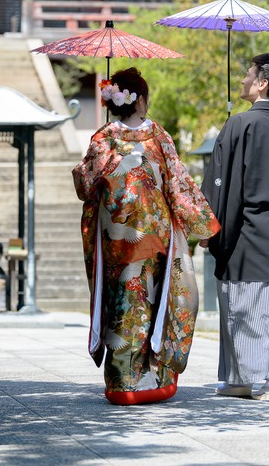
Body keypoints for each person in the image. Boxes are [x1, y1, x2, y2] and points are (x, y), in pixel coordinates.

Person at [72, 67, 221, 405]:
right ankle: (128, 381)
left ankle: (142, 380)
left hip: (143, 240)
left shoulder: (106, 137)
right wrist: (204, 224)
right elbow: (177, 183)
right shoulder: (146, 137)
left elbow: (86, 184)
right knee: (133, 304)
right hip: (133, 239)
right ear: (139, 100)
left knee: (143, 302)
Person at [200, 53, 269, 402]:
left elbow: (221, 181)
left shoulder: (239, 125)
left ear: (262, 83)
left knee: (241, 305)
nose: (244, 80)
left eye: (249, 75)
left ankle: (242, 380)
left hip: (245, 230)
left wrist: (209, 227)